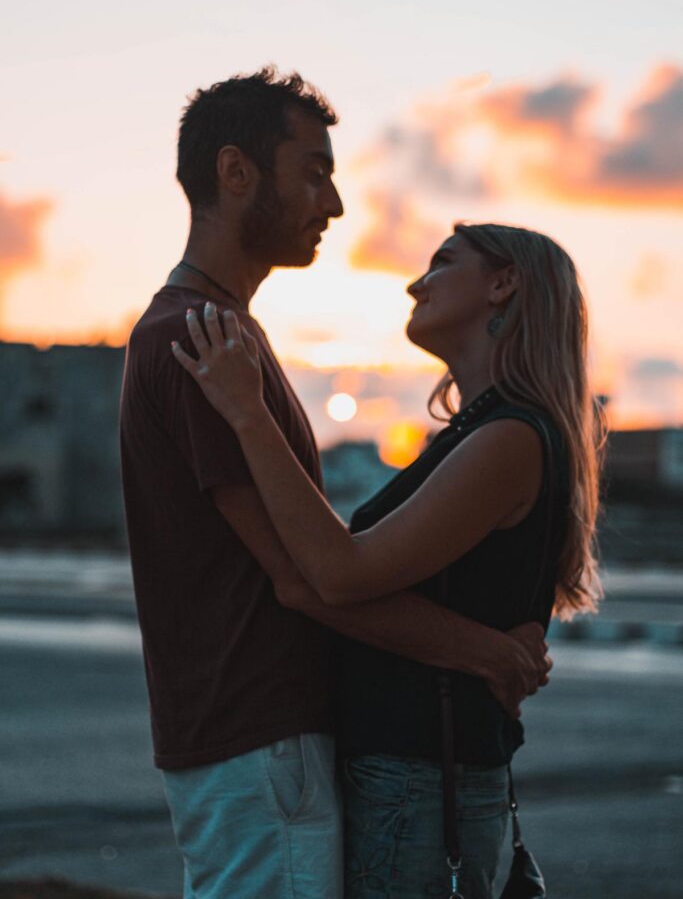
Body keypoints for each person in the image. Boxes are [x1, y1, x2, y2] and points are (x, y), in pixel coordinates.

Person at [120, 67, 550, 899]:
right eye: (313, 170)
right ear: (236, 172)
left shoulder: (227, 338)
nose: (335, 203)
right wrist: (487, 654)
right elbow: (304, 579)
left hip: (258, 739)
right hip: (258, 739)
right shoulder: (197, 340)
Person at [172, 219, 603, 899]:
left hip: (419, 783)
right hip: (414, 777)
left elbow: (338, 573)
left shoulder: (510, 437)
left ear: (502, 284)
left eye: (440, 262)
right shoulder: (477, 432)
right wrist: (481, 649)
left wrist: (247, 413)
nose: (414, 282)